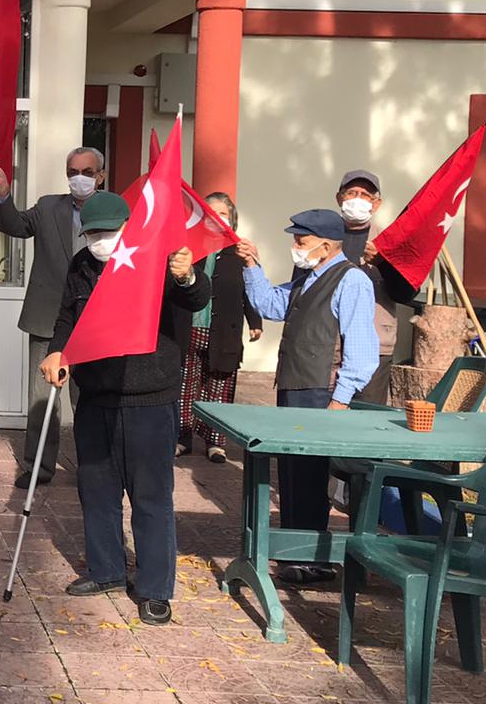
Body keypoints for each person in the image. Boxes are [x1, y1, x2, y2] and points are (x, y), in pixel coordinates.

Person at [39, 192, 209, 627]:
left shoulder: (158, 260)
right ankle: (107, 570)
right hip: (96, 396)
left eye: (108, 233)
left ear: (127, 229)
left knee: (151, 497)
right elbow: (66, 317)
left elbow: (194, 298)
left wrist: (187, 275)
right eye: (93, 233)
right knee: (96, 491)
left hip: (149, 399)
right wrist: (57, 351)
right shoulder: (82, 265)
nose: (100, 241)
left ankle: (154, 589)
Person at [236, 209, 378, 585]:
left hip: (322, 390)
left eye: (301, 241)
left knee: (314, 475)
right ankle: (294, 554)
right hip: (295, 385)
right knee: (293, 473)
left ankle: (316, 559)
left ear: (327, 245)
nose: (295, 247)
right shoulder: (307, 278)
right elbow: (271, 305)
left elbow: (362, 350)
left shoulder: (352, 281)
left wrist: (341, 399)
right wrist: (252, 265)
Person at [0, 145, 105, 488]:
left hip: (93, 322)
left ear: (100, 175)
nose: (77, 179)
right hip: (47, 317)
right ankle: (38, 466)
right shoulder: (49, 206)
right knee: (42, 400)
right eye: (72, 172)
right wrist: (4, 194)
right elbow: (14, 225)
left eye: (85, 172)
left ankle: (94, 470)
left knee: (89, 400)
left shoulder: (113, 213)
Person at [176, 192, 263, 464]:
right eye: (210, 212)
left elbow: (249, 290)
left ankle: (216, 442)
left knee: (218, 388)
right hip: (191, 328)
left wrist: (255, 321)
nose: (216, 217)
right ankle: (182, 437)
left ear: (232, 220)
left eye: (222, 213)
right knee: (186, 387)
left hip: (225, 330)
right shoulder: (190, 247)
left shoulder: (240, 252)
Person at [334, 169, 416, 405]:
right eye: (352, 192)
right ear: (340, 198)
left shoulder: (390, 241)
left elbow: (406, 293)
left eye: (365, 195)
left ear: (376, 204)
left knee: (366, 417)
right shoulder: (324, 237)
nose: (358, 199)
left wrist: (383, 262)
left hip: (374, 347)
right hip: (329, 345)